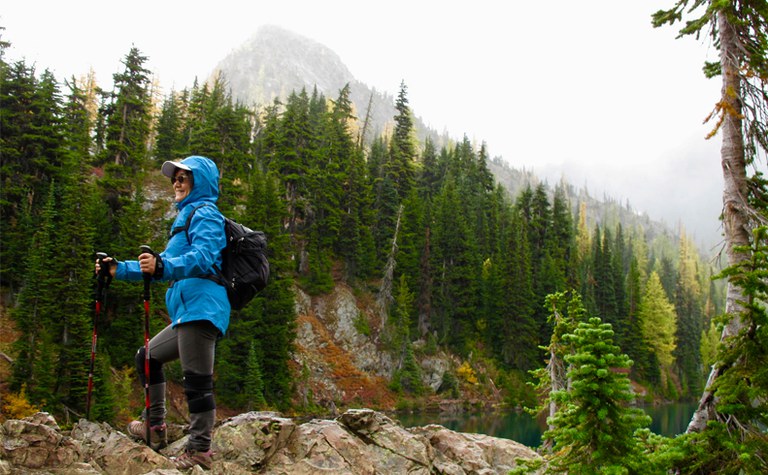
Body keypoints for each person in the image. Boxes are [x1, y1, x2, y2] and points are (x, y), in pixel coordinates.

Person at [96, 155, 229, 470]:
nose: (177, 182)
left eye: (185, 176)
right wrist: (116, 269)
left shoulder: (207, 214)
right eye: (175, 177)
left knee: (197, 381)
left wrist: (165, 265)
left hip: (203, 307)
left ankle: (199, 451)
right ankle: (155, 428)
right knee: (148, 357)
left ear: (202, 182)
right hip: (187, 311)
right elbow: (155, 267)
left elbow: (205, 257)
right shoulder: (184, 221)